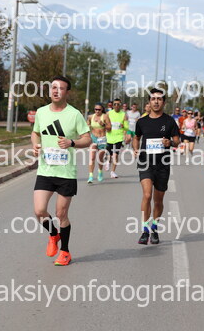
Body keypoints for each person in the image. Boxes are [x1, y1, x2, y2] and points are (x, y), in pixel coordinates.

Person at [31, 76, 91, 266]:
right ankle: (53, 234)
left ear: (67, 92)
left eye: (61, 88)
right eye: (53, 87)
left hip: (66, 173)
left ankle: (65, 251)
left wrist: (71, 142)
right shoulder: (41, 112)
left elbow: (87, 139)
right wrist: (35, 145)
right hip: (46, 169)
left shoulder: (74, 114)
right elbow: (35, 132)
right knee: (39, 210)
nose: (56, 91)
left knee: (61, 214)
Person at [133, 88, 180, 245]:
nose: (156, 101)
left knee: (158, 200)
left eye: (159, 99)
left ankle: (154, 227)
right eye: (153, 99)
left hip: (162, 164)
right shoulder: (142, 121)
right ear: (149, 101)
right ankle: (145, 230)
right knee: (147, 195)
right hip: (145, 162)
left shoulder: (169, 121)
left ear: (164, 102)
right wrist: (135, 149)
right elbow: (136, 137)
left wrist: (170, 142)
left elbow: (177, 141)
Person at [87, 103, 111, 183]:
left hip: (102, 139)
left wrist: (103, 124)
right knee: (92, 157)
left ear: (102, 110)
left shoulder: (105, 116)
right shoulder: (91, 117)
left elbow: (109, 128)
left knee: (100, 158)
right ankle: (90, 176)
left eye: (99, 109)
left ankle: (100, 171)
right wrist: (88, 128)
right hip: (93, 138)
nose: (97, 111)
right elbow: (87, 126)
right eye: (96, 109)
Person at [105, 98, 128, 178]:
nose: (116, 105)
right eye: (115, 104)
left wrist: (123, 126)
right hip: (109, 137)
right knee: (109, 154)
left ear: (120, 105)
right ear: (113, 105)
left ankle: (113, 172)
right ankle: (108, 161)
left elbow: (126, 127)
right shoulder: (108, 113)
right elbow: (105, 124)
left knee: (115, 155)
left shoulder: (124, 115)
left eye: (118, 104)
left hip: (119, 137)